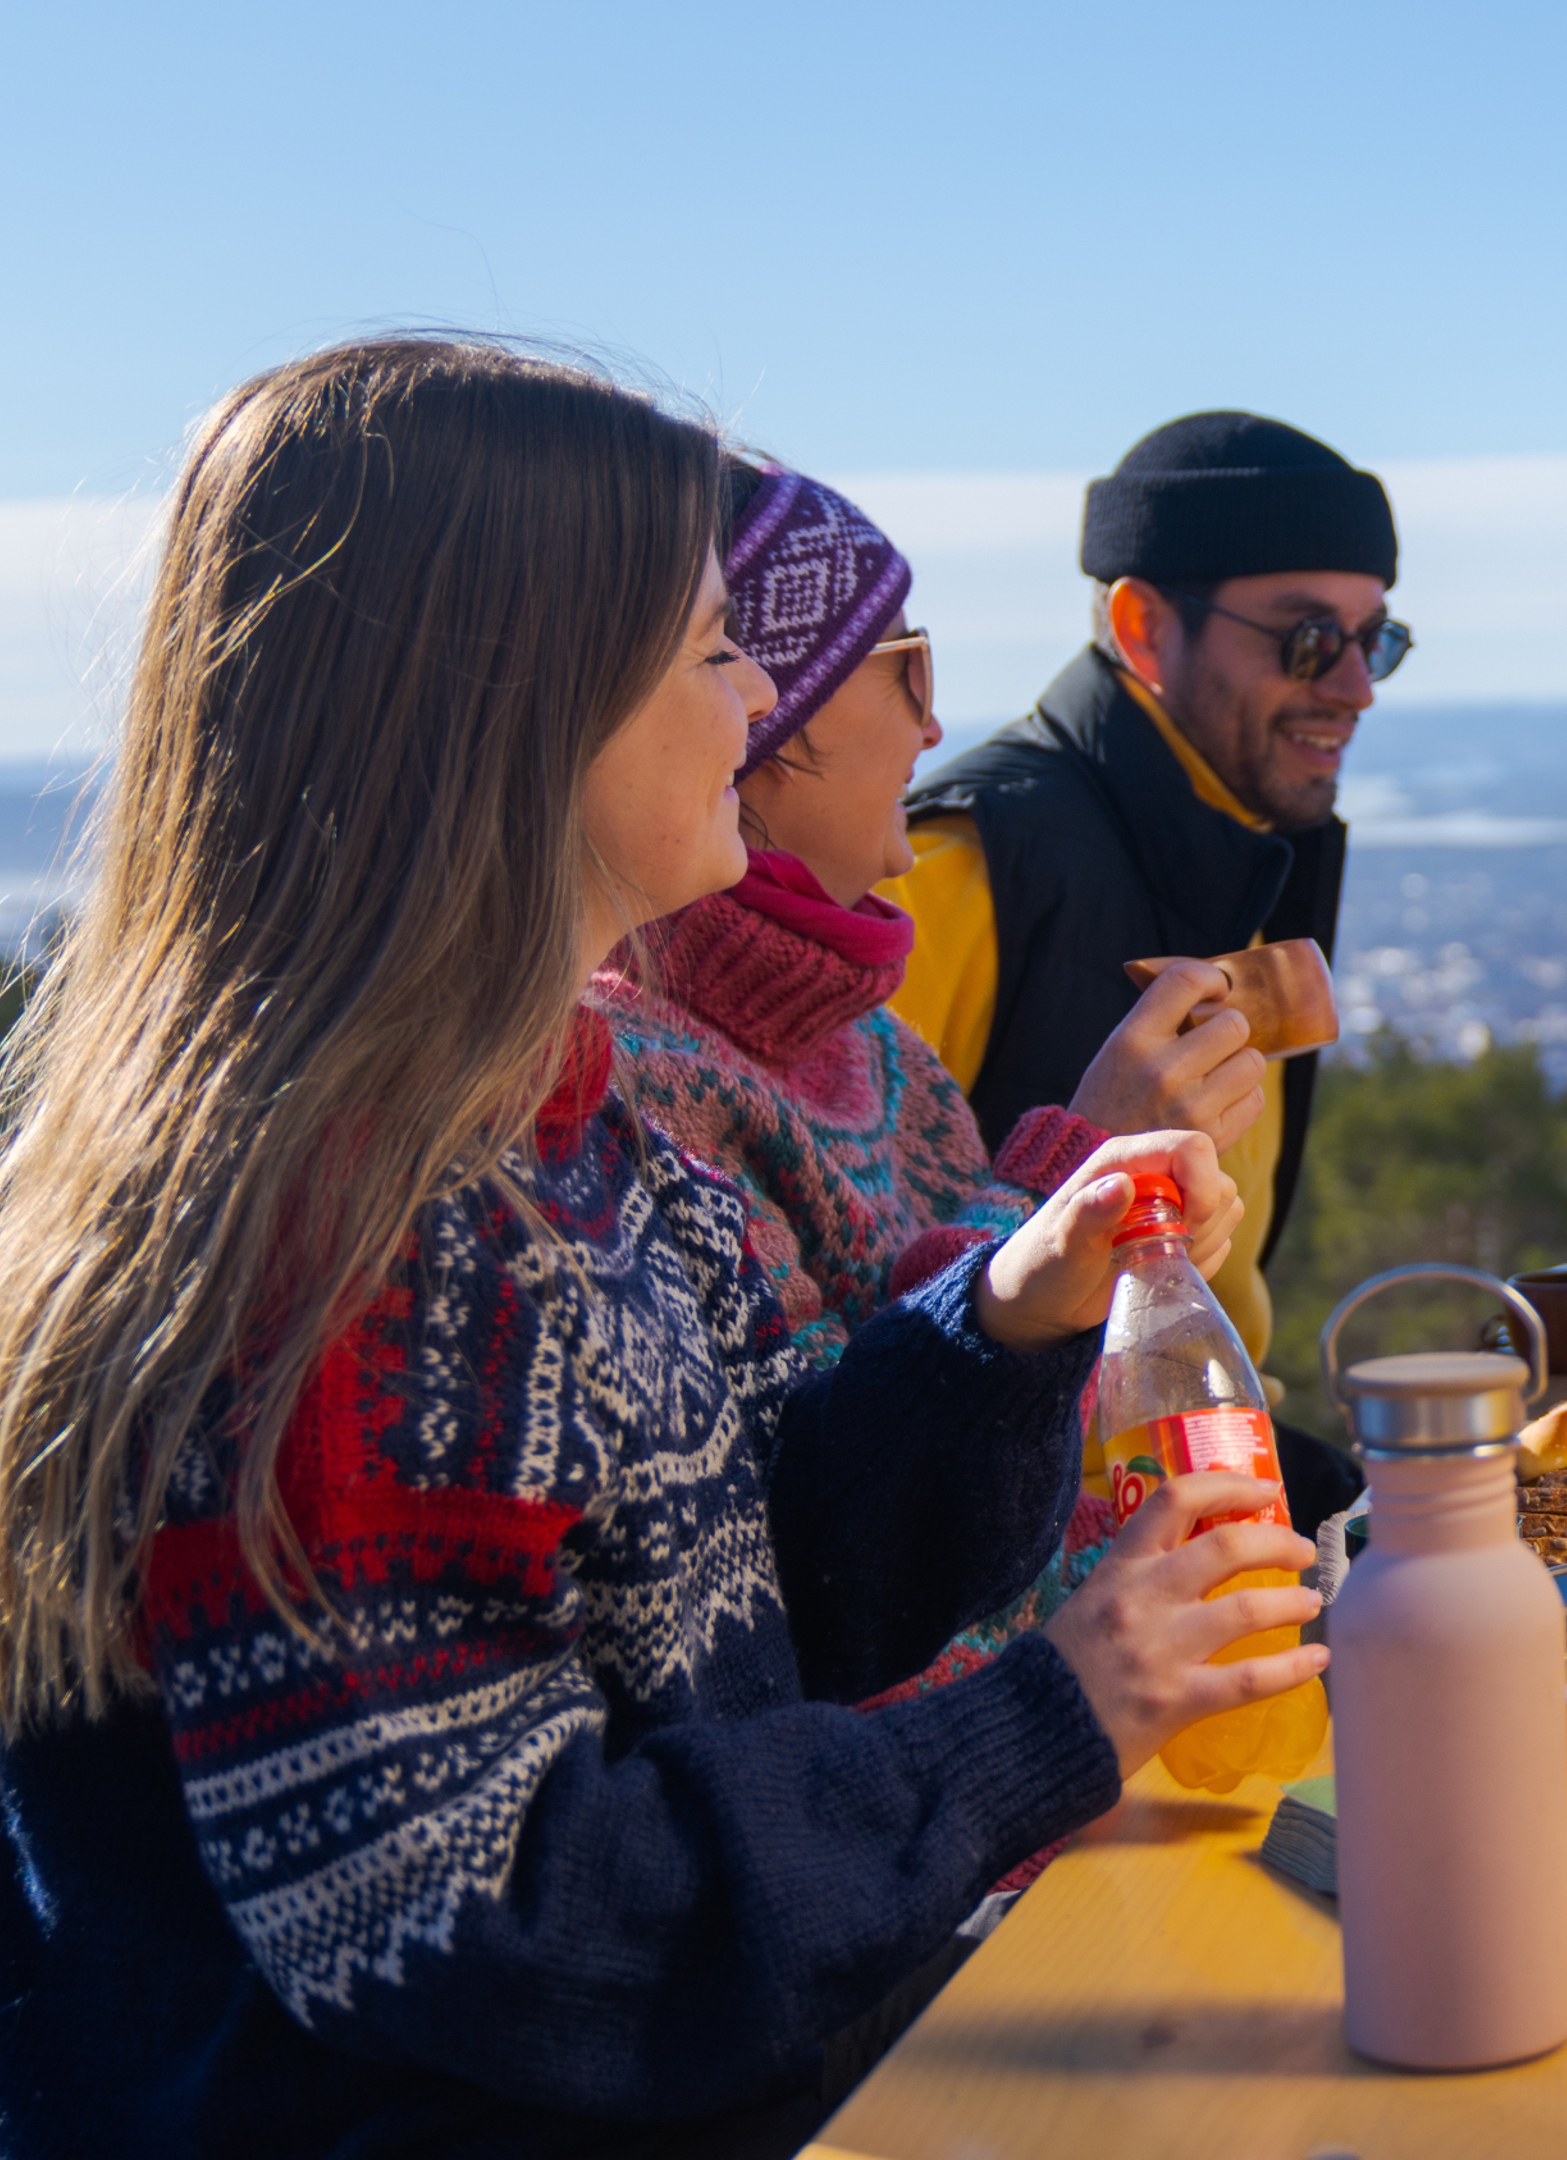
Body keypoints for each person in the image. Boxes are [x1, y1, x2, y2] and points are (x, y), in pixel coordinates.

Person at [0, 339, 1327, 2156]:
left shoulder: (563, 1128)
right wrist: (1050, 1715)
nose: (757, 709)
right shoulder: (353, 1244)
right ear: (524, 701)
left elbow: (717, 1615)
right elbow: (503, 1932)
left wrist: (1005, 1323)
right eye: (718, 652)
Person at [589, 458, 1286, 1697]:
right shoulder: (623, 1076)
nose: (931, 725)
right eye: (905, 666)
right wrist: (1073, 1169)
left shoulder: (883, 1055)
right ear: (771, 719)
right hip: (965, 1801)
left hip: (1060, 1734)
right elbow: (822, 1558)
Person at [885, 412, 1398, 1393]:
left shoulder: (1244, 865)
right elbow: (845, 1292)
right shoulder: (954, 870)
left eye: (1377, 639)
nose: (1355, 686)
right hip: (1039, 1533)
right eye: (1308, 638)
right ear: (1142, 626)